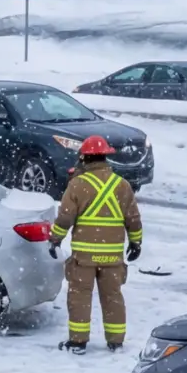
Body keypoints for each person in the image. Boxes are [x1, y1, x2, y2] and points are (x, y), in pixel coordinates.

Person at [47, 136, 143, 353]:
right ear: (105, 156)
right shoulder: (122, 185)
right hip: (112, 257)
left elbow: (65, 218)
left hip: (85, 257)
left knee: (80, 296)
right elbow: (133, 219)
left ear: (84, 158)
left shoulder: (77, 185)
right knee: (113, 297)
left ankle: (78, 341)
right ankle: (116, 341)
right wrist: (136, 242)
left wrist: (55, 239)